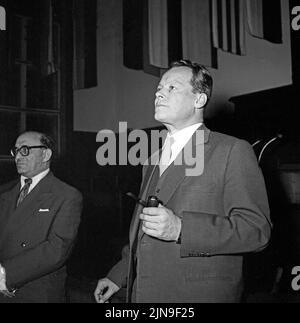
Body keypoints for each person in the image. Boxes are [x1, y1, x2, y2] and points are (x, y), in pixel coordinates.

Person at [94, 60, 272, 303]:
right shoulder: (152, 160)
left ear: (199, 100)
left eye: (172, 88)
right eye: (159, 88)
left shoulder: (231, 150)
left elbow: (256, 231)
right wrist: (119, 275)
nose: (159, 93)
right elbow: (144, 232)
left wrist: (181, 229)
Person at [0, 131, 82, 303]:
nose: (18, 157)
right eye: (16, 151)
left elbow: (57, 250)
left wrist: (6, 275)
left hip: (36, 292)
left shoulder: (67, 195)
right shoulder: (4, 192)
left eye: (25, 150)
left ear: (46, 154)